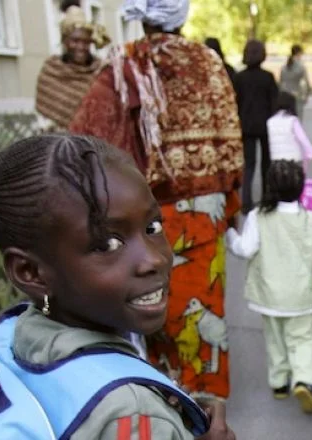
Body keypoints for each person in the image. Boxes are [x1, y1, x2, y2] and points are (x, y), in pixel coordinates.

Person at [0, 134, 235, 440]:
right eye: (107, 245)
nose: (154, 260)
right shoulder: (132, 411)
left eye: (152, 226)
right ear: (30, 272)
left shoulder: (18, 333)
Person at [70, 0, 244, 403]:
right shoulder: (207, 62)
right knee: (202, 316)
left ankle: (155, 405)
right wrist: (230, 204)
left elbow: (84, 138)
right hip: (203, 217)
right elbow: (231, 144)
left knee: (146, 313)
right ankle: (204, 413)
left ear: (142, 15)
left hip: (137, 222)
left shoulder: (122, 64)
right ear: (181, 16)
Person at [225, 160, 312, 414]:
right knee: (302, 339)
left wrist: (230, 235)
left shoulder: (259, 216)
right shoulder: (311, 219)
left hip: (268, 295)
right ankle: (303, 380)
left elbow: (245, 249)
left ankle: (279, 383)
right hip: (300, 296)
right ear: (301, 188)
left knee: (275, 339)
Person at [35, 4, 110, 131]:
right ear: (64, 41)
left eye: (85, 42)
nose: (80, 47)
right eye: (75, 41)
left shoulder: (102, 72)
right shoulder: (51, 70)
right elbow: (44, 121)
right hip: (59, 143)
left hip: (97, 144)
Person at [234, 39, 280, 214]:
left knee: (249, 164)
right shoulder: (267, 77)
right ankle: (266, 198)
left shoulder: (239, 77)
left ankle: (245, 202)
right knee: (266, 164)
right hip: (265, 125)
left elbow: (235, 102)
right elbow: (274, 102)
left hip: (245, 125)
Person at [267, 92, 312, 162]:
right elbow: (302, 138)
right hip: (293, 160)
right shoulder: (293, 120)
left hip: (276, 161)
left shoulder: (270, 121)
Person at [279, 44, 311, 120]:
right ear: (299, 53)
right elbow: (306, 83)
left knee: (286, 119)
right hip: (297, 95)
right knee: (297, 120)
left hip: (285, 95)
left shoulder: (284, 67)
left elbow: (280, 83)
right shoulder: (301, 67)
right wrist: (306, 95)